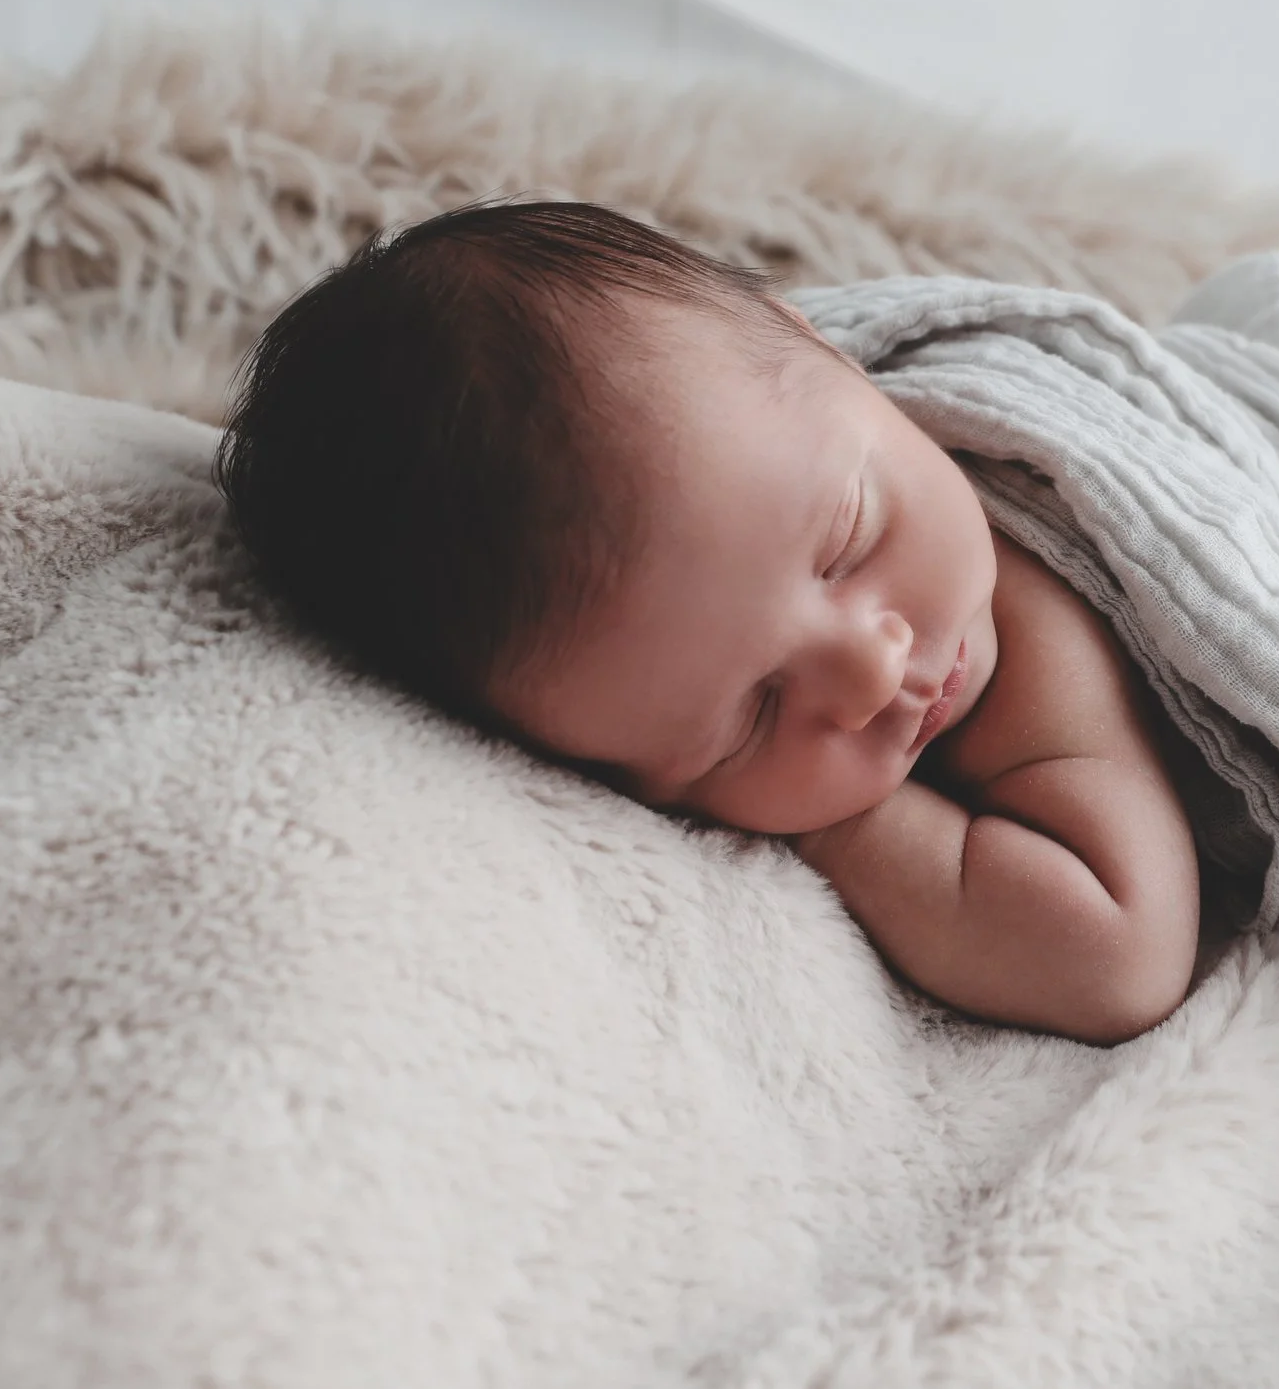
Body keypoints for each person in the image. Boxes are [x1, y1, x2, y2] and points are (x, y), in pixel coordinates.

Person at [217, 201, 1201, 1043]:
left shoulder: (1034, 614)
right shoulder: (798, 498)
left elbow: (1117, 959)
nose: (869, 672)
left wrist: (834, 823)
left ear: (818, 345)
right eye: (751, 719)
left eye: (848, 540)